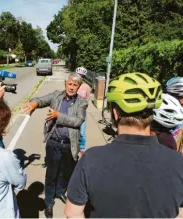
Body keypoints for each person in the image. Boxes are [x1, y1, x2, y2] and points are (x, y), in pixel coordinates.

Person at [65, 73, 183, 218]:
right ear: (152, 114)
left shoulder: (91, 159)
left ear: (115, 113)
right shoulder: (178, 162)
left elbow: (73, 213)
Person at [22, 72, 88, 218]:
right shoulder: (56, 95)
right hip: (53, 142)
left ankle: (60, 192)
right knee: (51, 173)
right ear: (65, 84)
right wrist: (34, 103)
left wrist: (59, 116)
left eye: (75, 85)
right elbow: (42, 100)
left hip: (70, 144)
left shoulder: (82, 102)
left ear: (78, 87)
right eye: (69, 84)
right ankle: (49, 202)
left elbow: (78, 121)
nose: (71, 87)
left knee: (66, 172)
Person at [75, 67, 92, 154]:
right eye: (78, 75)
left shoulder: (86, 87)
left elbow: (88, 98)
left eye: (81, 76)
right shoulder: (73, 84)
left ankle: (82, 147)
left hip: (82, 112)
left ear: (83, 77)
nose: (79, 77)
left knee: (82, 131)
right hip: (73, 111)